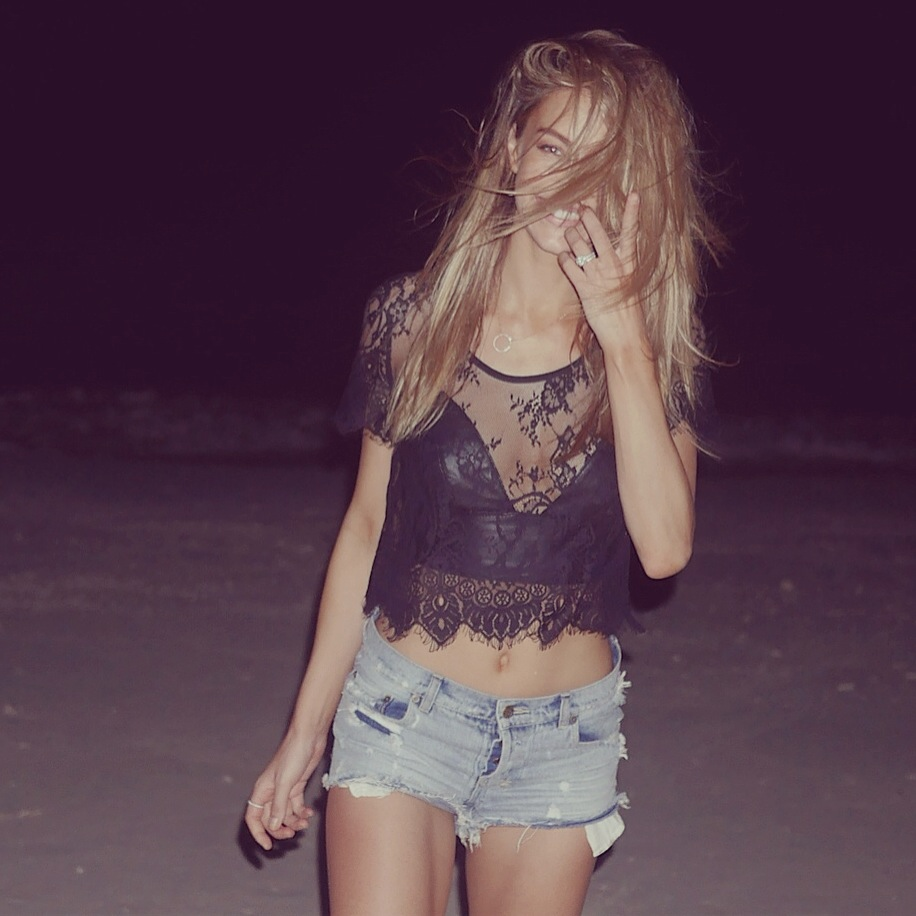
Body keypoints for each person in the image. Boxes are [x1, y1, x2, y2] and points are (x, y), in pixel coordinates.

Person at [245, 28, 721, 916]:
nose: (571, 186)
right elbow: (366, 526)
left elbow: (663, 551)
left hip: (563, 737)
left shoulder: (654, 350)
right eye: (554, 148)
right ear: (510, 148)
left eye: (603, 166)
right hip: (404, 710)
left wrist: (622, 337)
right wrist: (303, 733)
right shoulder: (410, 320)